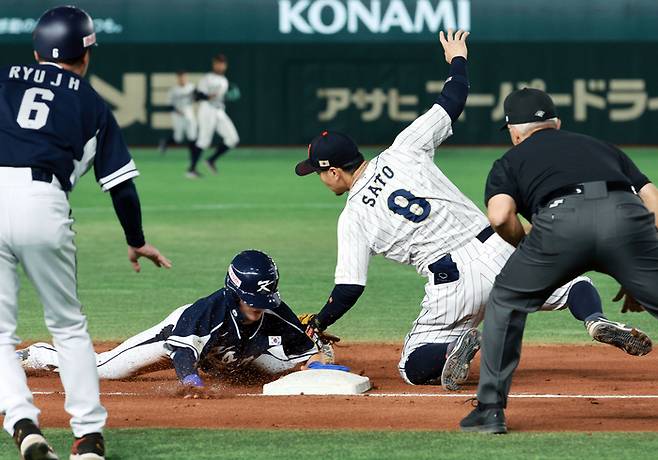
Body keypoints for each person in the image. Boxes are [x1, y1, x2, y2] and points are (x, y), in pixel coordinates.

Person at [294, 31, 651, 392]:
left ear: (334, 171)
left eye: (319, 172)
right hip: (498, 247)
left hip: (451, 282)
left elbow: (349, 288)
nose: (321, 179)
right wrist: (457, 58)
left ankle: (454, 344)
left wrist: (320, 321)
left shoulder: (353, 215)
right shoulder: (403, 148)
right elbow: (452, 99)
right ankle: (594, 320)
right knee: (575, 282)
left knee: (412, 364)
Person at [0, 6, 171, 459]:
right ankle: (89, 439)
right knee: (68, 327)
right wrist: (135, 239)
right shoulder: (90, 101)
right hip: (44, 202)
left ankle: (21, 421)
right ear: (86, 52)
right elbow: (122, 188)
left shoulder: (4, 77)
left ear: (37, 49)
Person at [460, 88, 658, 434]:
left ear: (513, 132)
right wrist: (640, 261)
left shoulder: (509, 160)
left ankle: (490, 411)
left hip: (559, 223)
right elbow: (652, 201)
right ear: (557, 123)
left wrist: (529, 247)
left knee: (506, 299)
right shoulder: (601, 146)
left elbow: (500, 216)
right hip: (627, 218)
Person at [19, 250, 337, 393]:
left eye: (263, 303)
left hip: (231, 354)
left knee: (288, 369)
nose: (259, 308)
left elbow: (309, 352)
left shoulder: (273, 309)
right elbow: (183, 354)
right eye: (252, 302)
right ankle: (35, 355)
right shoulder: (210, 310)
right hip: (177, 339)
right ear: (235, 292)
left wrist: (319, 357)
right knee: (105, 371)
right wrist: (191, 382)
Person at [193, 54, 240, 177]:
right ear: (214, 64)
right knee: (203, 141)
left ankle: (211, 160)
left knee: (233, 139)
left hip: (219, 111)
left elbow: (221, 97)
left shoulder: (224, 80)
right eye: (218, 63)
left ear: (225, 65)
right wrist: (209, 96)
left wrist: (227, 97)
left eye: (222, 63)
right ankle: (191, 170)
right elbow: (197, 96)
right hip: (207, 110)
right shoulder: (207, 78)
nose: (220, 65)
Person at [158, 71, 200, 178]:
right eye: (180, 78)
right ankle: (165, 142)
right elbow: (168, 106)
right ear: (177, 79)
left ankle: (192, 166)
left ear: (186, 78)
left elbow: (198, 97)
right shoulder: (173, 91)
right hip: (177, 116)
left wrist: (197, 96)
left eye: (184, 77)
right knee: (178, 139)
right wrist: (177, 111)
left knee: (193, 138)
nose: (182, 79)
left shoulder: (192, 87)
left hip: (189, 114)